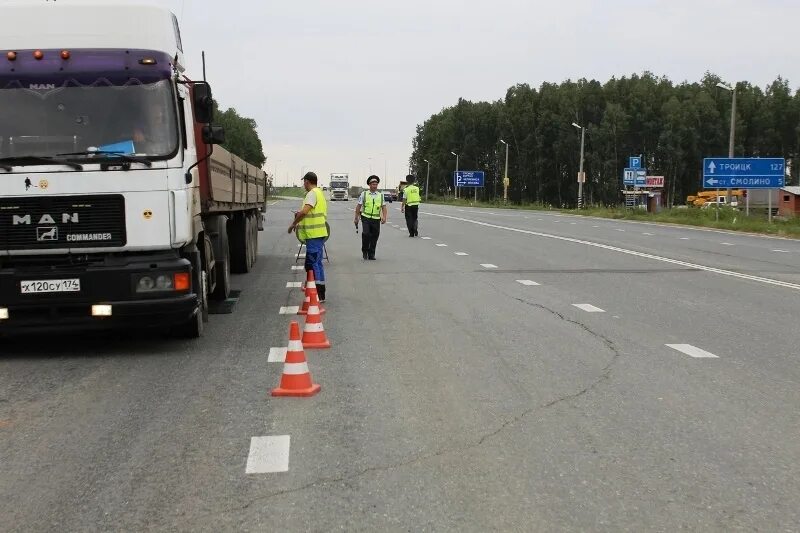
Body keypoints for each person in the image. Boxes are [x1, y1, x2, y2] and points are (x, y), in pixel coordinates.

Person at [288, 172, 328, 301]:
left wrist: (294, 223)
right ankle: (320, 292)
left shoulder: (312, 194)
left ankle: (314, 293)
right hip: (319, 233)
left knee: (311, 264)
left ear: (307, 181)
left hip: (314, 235)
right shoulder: (319, 193)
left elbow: (305, 212)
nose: (303, 185)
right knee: (317, 263)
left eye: (304, 182)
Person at [354, 175, 387, 260]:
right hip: (366, 218)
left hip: (376, 219)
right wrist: (356, 218)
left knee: (375, 236)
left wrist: (384, 217)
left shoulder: (381, 195)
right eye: (373, 184)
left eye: (376, 184)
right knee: (366, 234)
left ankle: (371, 254)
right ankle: (365, 250)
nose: (374, 186)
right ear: (369, 185)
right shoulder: (364, 194)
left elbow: (384, 207)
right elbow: (358, 206)